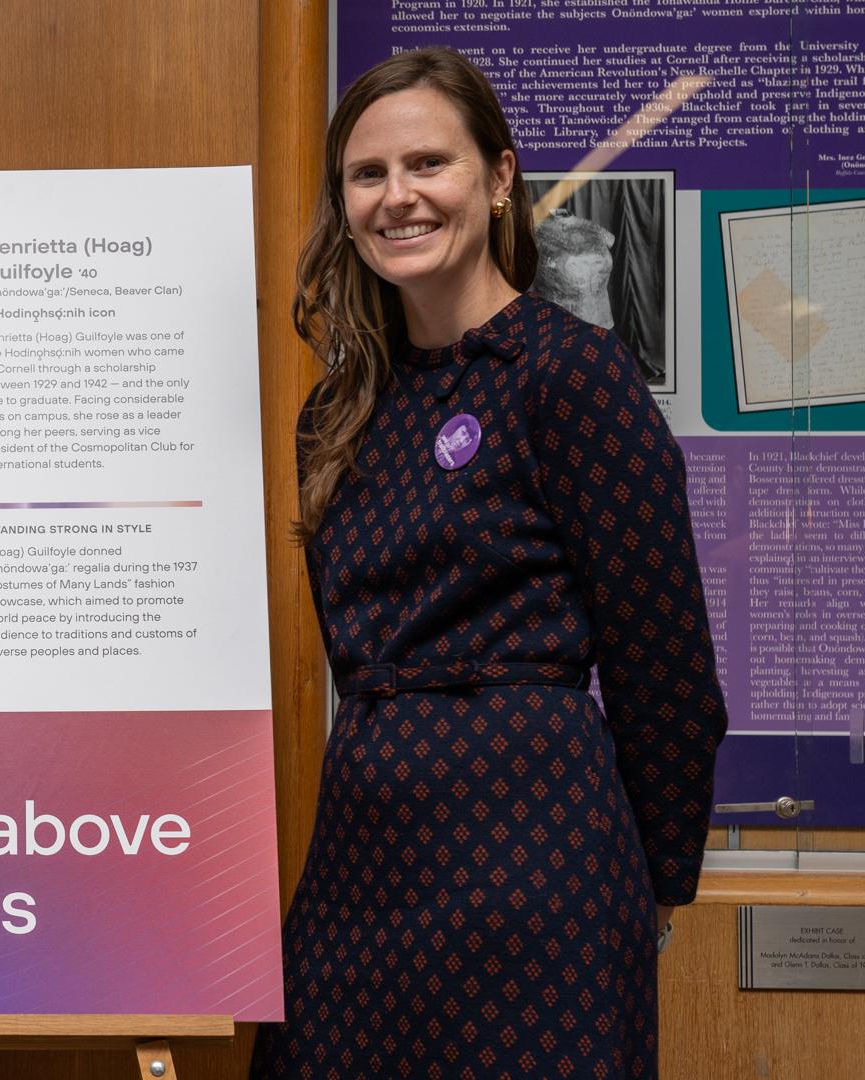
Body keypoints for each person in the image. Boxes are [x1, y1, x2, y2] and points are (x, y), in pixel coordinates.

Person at [249, 47, 726, 1079]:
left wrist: (642, 883)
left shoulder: (568, 375)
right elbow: (353, 662)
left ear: (499, 179)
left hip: (534, 863)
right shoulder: (333, 415)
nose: (396, 197)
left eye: (428, 163)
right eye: (365, 175)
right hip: (363, 868)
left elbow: (667, 671)